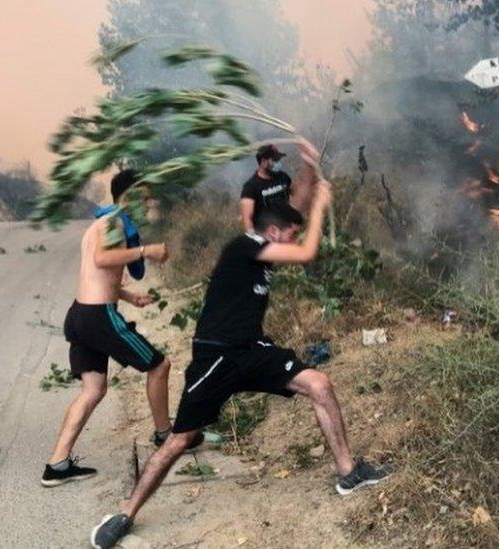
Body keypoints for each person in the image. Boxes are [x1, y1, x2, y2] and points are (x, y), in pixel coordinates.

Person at [90, 142, 387, 549]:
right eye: (288, 234)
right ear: (272, 234)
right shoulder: (244, 244)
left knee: (318, 384)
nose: (292, 237)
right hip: (217, 356)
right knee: (180, 439)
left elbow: (291, 207)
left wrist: (311, 172)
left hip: (253, 348)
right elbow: (306, 251)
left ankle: (348, 472)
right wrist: (320, 208)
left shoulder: (264, 243)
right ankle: (125, 513)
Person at [41, 170, 191, 487]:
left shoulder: (101, 223)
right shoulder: (113, 221)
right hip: (98, 317)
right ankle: (165, 435)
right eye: (144, 195)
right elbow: (101, 258)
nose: (148, 203)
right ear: (131, 194)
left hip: (81, 313)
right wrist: (146, 251)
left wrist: (128, 295)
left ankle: (57, 463)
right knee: (160, 365)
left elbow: (94, 274)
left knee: (93, 390)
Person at [238, 144, 294, 231]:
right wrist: (257, 241)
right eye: (275, 160)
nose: (278, 163)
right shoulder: (250, 187)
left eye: (278, 159)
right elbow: (247, 220)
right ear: (263, 161)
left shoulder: (283, 177)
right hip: (267, 236)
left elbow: (296, 195)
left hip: (286, 232)